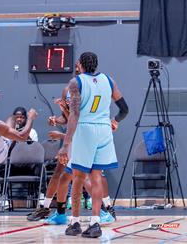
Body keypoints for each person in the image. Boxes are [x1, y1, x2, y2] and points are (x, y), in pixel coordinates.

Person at [57, 52, 128, 238]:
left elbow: (74, 115)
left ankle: (75, 223)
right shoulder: (109, 80)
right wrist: (115, 120)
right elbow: (125, 109)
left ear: (79, 64)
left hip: (85, 129)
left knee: (78, 177)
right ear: (96, 65)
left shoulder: (76, 82)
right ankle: (96, 223)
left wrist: (65, 144)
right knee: (96, 176)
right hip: (104, 130)